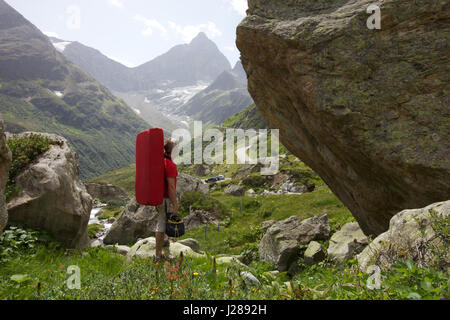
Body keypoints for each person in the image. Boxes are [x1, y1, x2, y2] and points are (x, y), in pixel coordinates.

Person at [155, 138, 178, 261]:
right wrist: (175, 204)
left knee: (162, 221)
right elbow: (171, 186)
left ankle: (164, 241)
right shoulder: (170, 165)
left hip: (158, 197)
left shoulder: (161, 161)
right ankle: (158, 255)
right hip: (164, 198)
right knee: (162, 224)